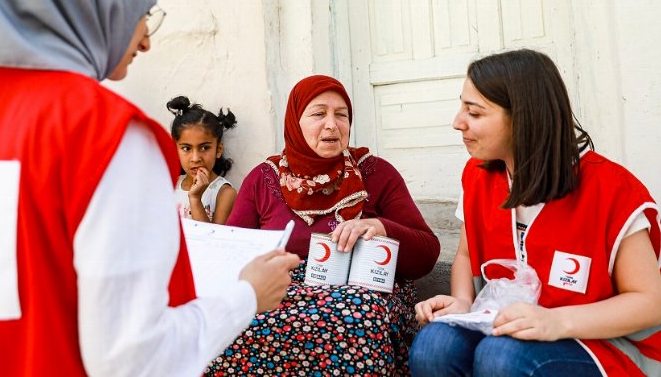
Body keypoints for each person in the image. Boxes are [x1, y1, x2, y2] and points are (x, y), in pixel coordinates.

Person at [0, 0, 299, 376]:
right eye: (139, 8)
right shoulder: (108, 135)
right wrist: (246, 296)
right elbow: (132, 361)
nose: (145, 39)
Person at [409, 49, 661, 376]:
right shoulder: (478, 177)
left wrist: (556, 322)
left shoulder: (611, 190)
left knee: (502, 356)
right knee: (434, 345)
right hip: (507, 328)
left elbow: (650, 302)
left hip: (602, 343)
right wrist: (461, 301)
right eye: (462, 106)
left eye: (474, 112)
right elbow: (466, 256)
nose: (458, 122)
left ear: (523, 118)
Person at [207, 75, 440, 375]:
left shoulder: (376, 172)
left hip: (360, 294)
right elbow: (232, 252)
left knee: (357, 316)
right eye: (319, 114)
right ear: (295, 121)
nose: (332, 124)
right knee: (232, 318)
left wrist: (382, 227)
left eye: (341, 115)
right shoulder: (263, 180)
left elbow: (427, 253)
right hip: (282, 290)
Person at [167, 96, 238, 223]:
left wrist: (195, 199)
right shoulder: (170, 186)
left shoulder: (224, 193)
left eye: (204, 148)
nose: (195, 158)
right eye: (186, 148)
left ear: (218, 150)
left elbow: (212, 240)